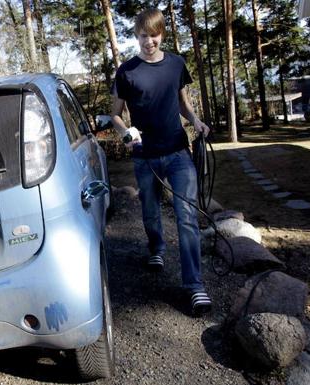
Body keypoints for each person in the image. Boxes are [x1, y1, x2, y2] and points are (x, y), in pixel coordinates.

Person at [110, 8, 212, 315]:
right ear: (137, 36)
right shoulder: (127, 71)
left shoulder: (176, 64)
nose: (148, 42)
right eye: (143, 36)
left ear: (161, 35)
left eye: (154, 36)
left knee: (187, 217)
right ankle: (156, 248)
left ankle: (194, 286)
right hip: (145, 158)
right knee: (151, 213)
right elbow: (115, 113)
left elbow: (183, 102)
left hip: (179, 153)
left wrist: (196, 120)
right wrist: (126, 131)